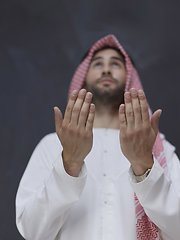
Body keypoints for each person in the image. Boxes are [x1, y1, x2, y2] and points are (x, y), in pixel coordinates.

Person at [16, 35, 180, 240]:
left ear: (129, 77)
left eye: (115, 64)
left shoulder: (156, 148)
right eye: (98, 64)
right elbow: (32, 231)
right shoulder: (53, 145)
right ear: (83, 78)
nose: (106, 69)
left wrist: (144, 164)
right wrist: (69, 163)